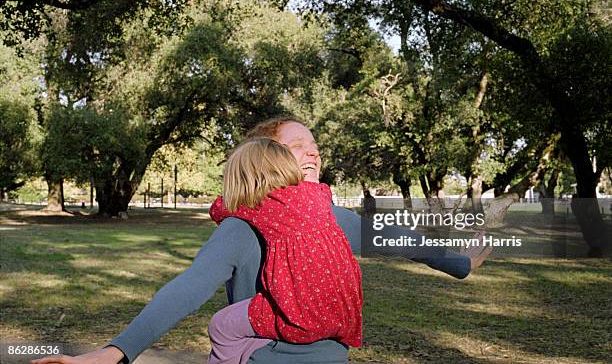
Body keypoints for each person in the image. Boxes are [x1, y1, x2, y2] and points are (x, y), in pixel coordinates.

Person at [31, 116, 491, 364]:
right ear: (270, 159)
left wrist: (116, 353)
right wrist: (461, 264)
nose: (312, 152)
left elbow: (400, 239)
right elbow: (191, 287)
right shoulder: (256, 224)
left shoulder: (299, 218)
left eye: (314, 145)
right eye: (296, 146)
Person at [207, 137, 362, 363]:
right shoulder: (319, 194)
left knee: (221, 326)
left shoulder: (262, 203)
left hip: (302, 317)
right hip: (346, 314)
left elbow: (221, 208)